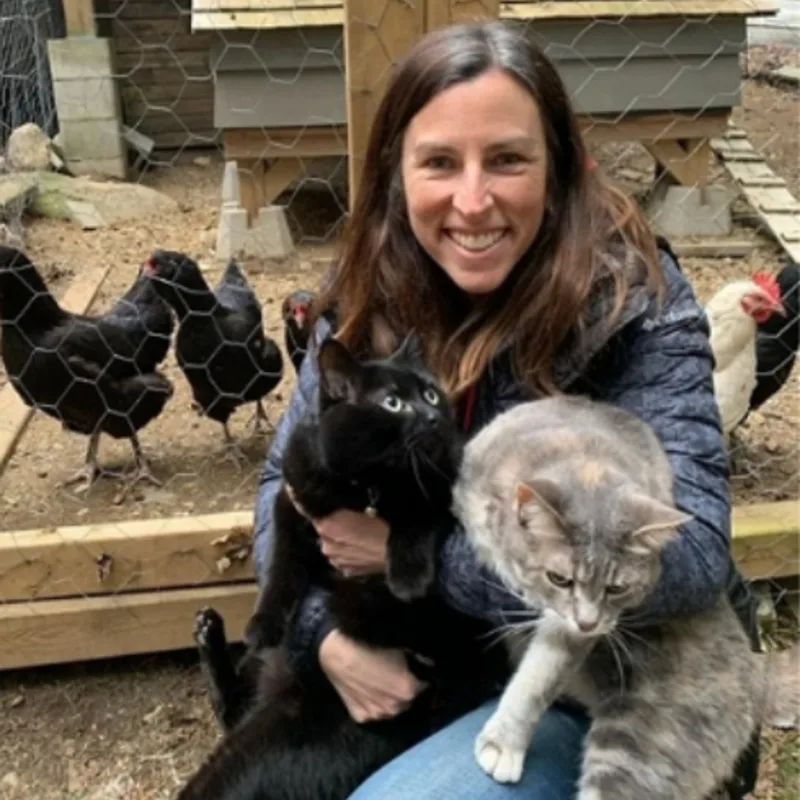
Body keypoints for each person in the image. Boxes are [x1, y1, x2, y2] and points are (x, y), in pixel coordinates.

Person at [253, 19, 761, 799]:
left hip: (608, 673)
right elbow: (280, 486)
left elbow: (692, 560)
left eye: (508, 160)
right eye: (439, 163)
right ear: (396, 173)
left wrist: (406, 554)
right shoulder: (368, 297)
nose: (473, 200)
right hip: (436, 651)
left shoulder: (633, 303)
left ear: (559, 168)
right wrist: (323, 637)